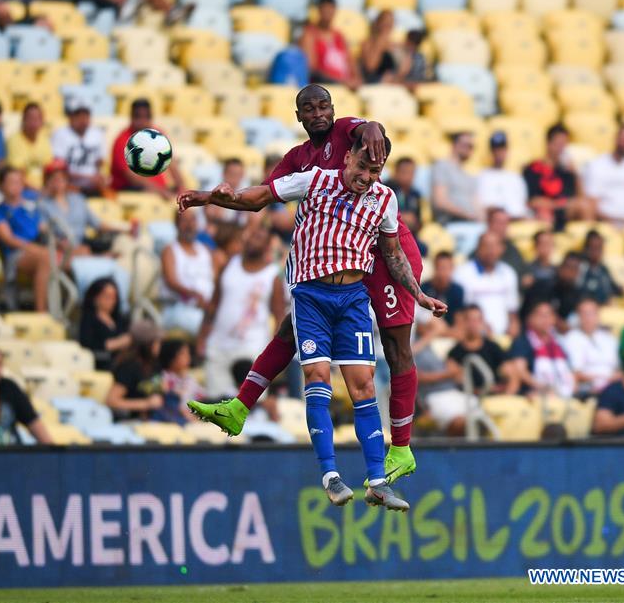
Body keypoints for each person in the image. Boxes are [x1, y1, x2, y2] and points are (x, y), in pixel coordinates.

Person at [180, 128, 446, 509]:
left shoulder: (384, 199)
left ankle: (377, 481)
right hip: (312, 296)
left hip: (353, 298)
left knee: (364, 386)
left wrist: (418, 294)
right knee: (317, 378)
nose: (367, 177)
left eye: (376, 171)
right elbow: (260, 196)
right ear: (348, 157)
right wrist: (212, 198)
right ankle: (331, 476)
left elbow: (392, 253)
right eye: (363, 167)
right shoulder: (313, 179)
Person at [198, 224, 285, 399]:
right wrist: (202, 338)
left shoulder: (272, 276)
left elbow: (279, 317)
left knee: (249, 405)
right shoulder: (229, 265)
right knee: (215, 404)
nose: (253, 240)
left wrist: (274, 355)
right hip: (219, 346)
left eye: (259, 238)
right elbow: (214, 304)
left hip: (253, 350)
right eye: (251, 236)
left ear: (267, 246)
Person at [0, 166, 51, 312]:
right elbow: (8, 239)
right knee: (45, 257)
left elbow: (43, 228)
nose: (16, 186)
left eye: (19, 181)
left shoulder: (32, 205)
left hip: (40, 249)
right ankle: (42, 312)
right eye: (11, 182)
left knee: (77, 252)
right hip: (16, 255)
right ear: (1, 185)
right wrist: (31, 248)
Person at [40, 159, 123, 254]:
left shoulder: (78, 199)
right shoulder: (42, 204)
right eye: (54, 178)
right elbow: (44, 232)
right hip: (59, 252)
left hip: (82, 245)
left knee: (117, 245)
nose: (58, 182)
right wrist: (60, 244)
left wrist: (124, 230)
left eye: (62, 178)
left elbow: (98, 224)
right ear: (47, 181)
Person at [524, 123, 594, 230]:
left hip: (565, 214)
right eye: (558, 144)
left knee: (586, 205)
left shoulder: (566, 172)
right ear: (548, 144)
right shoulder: (534, 169)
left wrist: (575, 174)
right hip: (543, 213)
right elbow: (532, 200)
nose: (561, 149)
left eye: (564, 145)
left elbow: (581, 198)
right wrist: (557, 204)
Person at [110, 99, 184, 197]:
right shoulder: (122, 141)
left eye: (146, 117)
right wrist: (163, 193)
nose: (142, 121)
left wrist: (182, 189)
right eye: (138, 117)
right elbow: (133, 178)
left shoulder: (157, 136)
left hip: (159, 189)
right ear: (132, 117)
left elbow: (172, 163)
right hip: (132, 190)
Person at [413, 314, 473, 436]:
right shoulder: (411, 346)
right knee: (460, 422)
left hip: (453, 392)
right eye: (425, 323)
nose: (428, 326)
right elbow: (417, 377)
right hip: (433, 396)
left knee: (481, 417)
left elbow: (453, 332)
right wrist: (447, 374)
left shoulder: (435, 344)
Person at [506, 301, 578, 398]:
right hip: (537, 394)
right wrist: (544, 387)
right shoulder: (523, 342)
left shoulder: (560, 342)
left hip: (564, 393)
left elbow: (570, 370)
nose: (546, 319)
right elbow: (520, 371)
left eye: (549, 315)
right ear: (530, 319)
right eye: (541, 315)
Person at [160, 209, 215, 336]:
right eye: (185, 221)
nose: (190, 225)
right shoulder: (170, 250)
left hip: (206, 308)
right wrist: (195, 296)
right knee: (209, 330)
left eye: (193, 220)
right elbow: (171, 282)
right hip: (179, 308)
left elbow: (214, 279)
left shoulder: (204, 250)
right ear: (177, 224)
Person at [455, 232, 520, 337]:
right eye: (486, 246)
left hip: (505, 337)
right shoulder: (463, 273)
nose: (491, 250)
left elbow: (512, 310)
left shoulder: (508, 273)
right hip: (475, 336)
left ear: (502, 249)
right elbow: (460, 312)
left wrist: (513, 326)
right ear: (478, 248)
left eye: (494, 246)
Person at [431, 132, 484, 253]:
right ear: (454, 145)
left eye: (471, 146)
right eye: (465, 144)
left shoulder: (470, 176)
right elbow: (440, 201)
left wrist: (481, 218)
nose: (469, 149)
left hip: (471, 225)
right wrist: (468, 215)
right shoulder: (442, 166)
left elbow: (477, 204)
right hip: (451, 224)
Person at [106, 320, 164, 421]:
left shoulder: (154, 364)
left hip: (153, 419)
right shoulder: (129, 366)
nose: (159, 345)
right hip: (131, 421)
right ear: (147, 344)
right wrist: (145, 404)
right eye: (156, 341)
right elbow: (111, 401)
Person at [300, 0, 361, 90]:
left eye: (330, 9)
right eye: (325, 10)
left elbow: (351, 62)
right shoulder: (310, 34)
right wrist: (341, 82)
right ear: (319, 10)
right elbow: (312, 70)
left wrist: (357, 79)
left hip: (344, 84)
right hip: (323, 85)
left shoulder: (339, 36)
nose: (327, 13)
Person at [446, 305, 511, 395]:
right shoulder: (455, 352)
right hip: (470, 399)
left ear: (483, 322)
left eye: (477, 320)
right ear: (464, 322)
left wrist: (505, 389)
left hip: (497, 396)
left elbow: (508, 371)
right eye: (470, 320)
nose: (474, 324)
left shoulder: (493, 347)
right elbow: (457, 382)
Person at [562, 298, 620, 395]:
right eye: (584, 314)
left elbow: (618, 368)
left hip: (612, 384)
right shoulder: (571, 338)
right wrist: (605, 379)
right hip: (588, 388)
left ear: (598, 315)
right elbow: (577, 373)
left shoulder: (609, 338)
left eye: (592, 313)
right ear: (578, 317)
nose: (588, 318)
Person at [50, 99, 106, 195]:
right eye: (78, 115)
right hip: (68, 186)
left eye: (85, 115)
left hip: (92, 186)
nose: (82, 119)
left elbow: (100, 162)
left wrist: (99, 177)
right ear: (70, 117)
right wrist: (87, 178)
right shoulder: (60, 134)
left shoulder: (97, 134)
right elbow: (58, 169)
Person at [78, 277, 130, 371]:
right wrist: (114, 344)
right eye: (107, 297)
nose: (111, 301)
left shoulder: (120, 319)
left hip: (123, 361)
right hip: (102, 364)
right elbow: (87, 345)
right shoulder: (89, 319)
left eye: (114, 297)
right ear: (95, 297)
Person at [476, 131, 528, 219]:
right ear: (491, 152)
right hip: (494, 221)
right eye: (496, 150)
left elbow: (522, 205)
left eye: (502, 149)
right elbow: (485, 206)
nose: (499, 153)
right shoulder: (482, 176)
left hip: (517, 219)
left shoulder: (516, 177)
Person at [6, 103, 53, 190]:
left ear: (42, 121)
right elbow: (17, 175)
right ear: (23, 119)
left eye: (37, 119)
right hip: (22, 189)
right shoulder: (14, 140)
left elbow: (48, 169)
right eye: (30, 118)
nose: (34, 122)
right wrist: (38, 190)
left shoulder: (44, 140)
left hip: (44, 189)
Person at [157, 339, 203, 424]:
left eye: (188, 353)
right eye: (183, 353)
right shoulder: (165, 378)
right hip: (177, 418)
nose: (188, 356)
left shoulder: (189, 378)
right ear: (171, 357)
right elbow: (172, 404)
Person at [479, 207, 527, 280]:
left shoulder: (512, 249)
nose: (502, 227)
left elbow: (523, 271)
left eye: (505, 223)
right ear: (489, 223)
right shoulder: (480, 248)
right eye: (499, 222)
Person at [576, 230, 622, 305]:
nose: (597, 251)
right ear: (586, 248)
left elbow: (614, 288)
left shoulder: (603, 269)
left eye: (600, 248)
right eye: (594, 248)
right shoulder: (579, 268)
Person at [420, 251, 465, 327]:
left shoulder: (457, 291)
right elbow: (420, 322)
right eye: (441, 267)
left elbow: (459, 322)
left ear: (452, 268)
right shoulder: (424, 288)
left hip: (450, 332)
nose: (444, 272)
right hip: (428, 330)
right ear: (435, 268)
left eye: (448, 268)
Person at [384, 157, 422, 234]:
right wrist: (403, 217)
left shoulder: (415, 194)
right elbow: (383, 214)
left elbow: (418, 221)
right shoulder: (386, 189)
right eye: (404, 172)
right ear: (396, 172)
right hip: (389, 233)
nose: (408, 176)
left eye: (411, 173)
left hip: (410, 233)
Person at [203, 159, 247, 227]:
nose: (235, 178)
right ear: (224, 174)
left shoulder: (245, 191)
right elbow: (210, 215)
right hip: (217, 230)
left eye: (239, 175)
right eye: (232, 174)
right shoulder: (212, 190)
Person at [360, 10, 397, 84]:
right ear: (378, 23)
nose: (388, 25)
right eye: (385, 22)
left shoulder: (395, 46)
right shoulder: (367, 43)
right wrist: (380, 42)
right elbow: (370, 67)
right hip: (373, 84)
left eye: (390, 23)